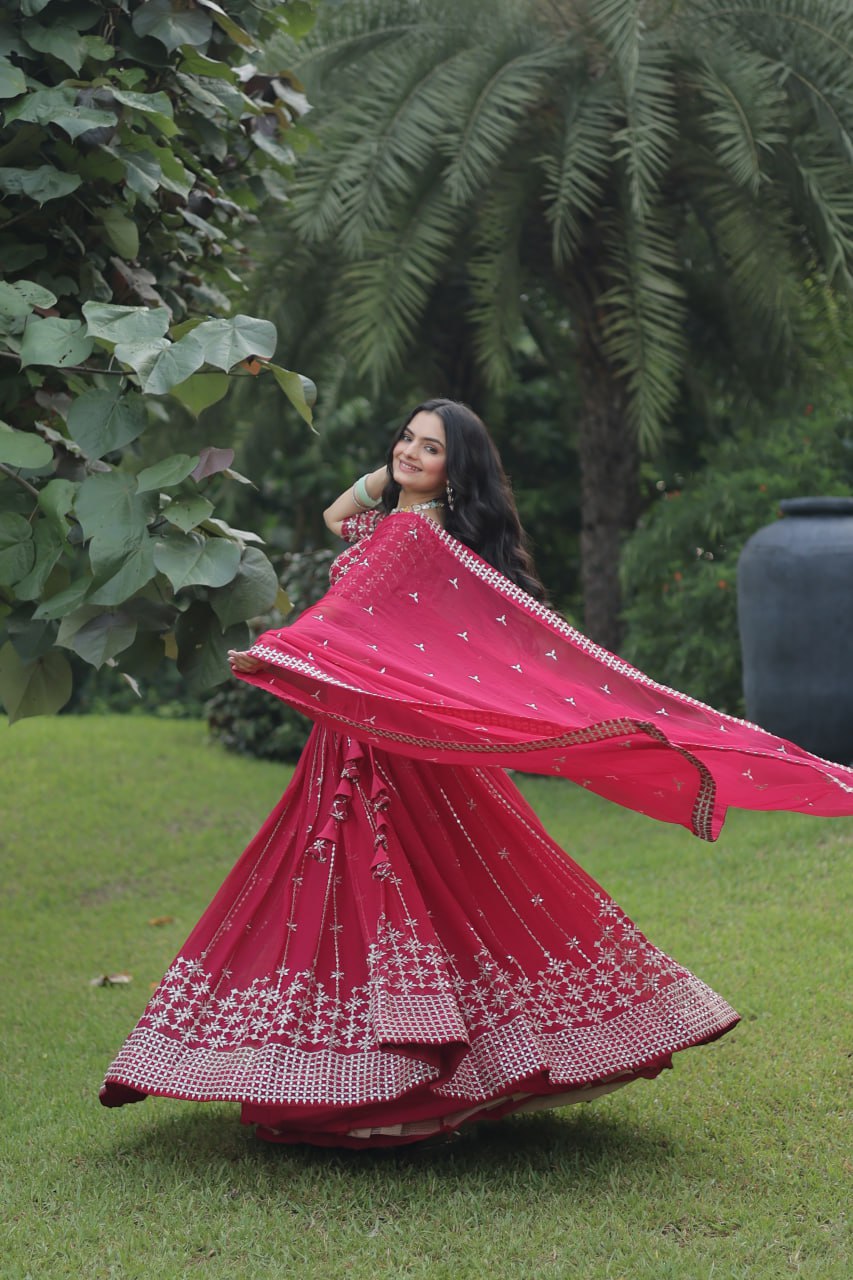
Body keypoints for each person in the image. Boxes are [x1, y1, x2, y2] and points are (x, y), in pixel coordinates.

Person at [100, 399, 853, 1147]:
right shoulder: (426, 533)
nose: (408, 453)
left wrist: (281, 649)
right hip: (378, 736)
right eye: (405, 438)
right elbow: (338, 519)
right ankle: (417, 1068)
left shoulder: (406, 538)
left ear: (455, 473)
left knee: (374, 886)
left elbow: (341, 616)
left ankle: (391, 1085)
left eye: (430, 450)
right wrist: (396, 476)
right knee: (436, 885)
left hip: (378, 748)